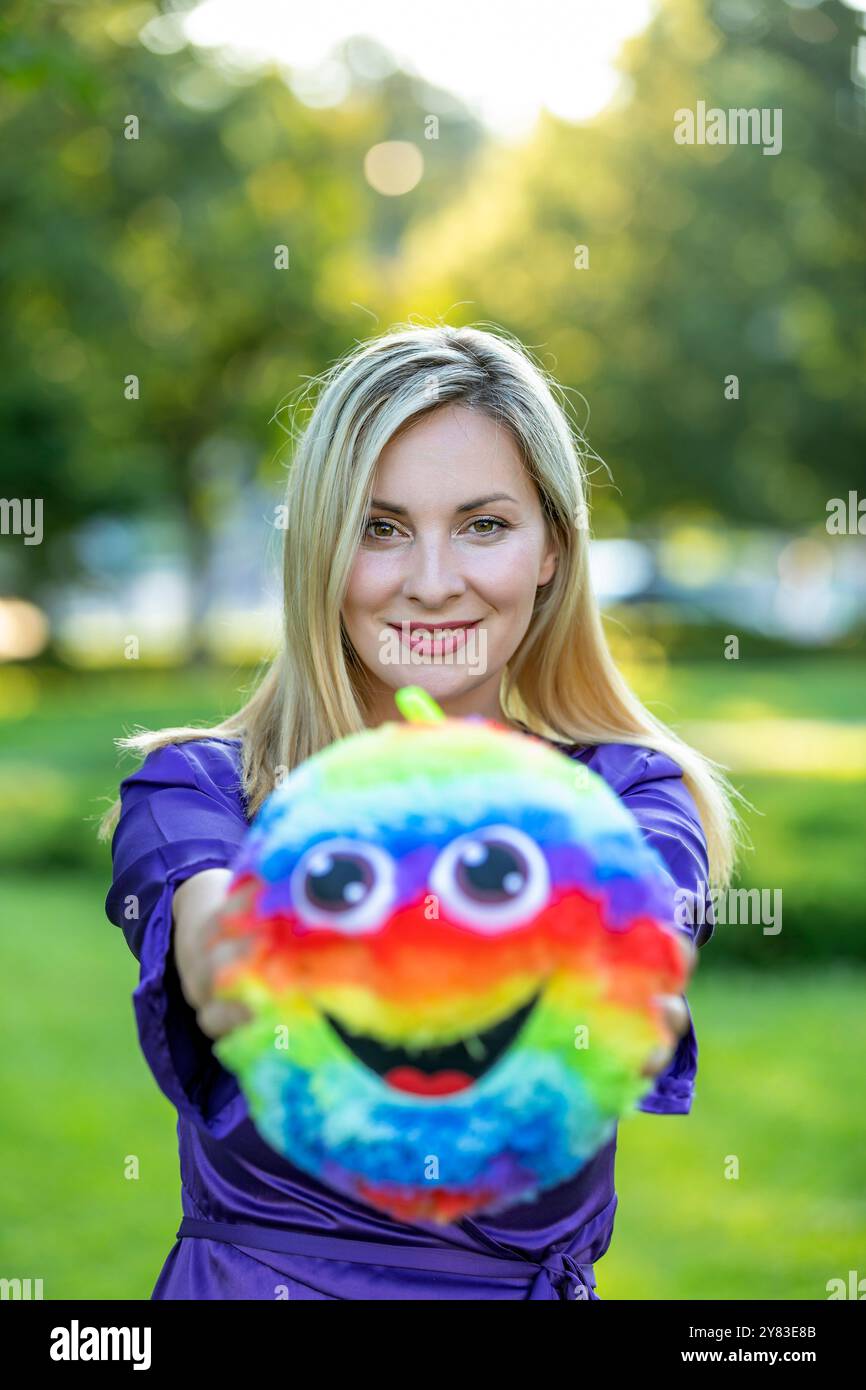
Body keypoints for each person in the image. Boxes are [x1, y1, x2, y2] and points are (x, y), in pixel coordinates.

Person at [102, 322, 738, 1300]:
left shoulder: (624, 790)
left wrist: (619, 962)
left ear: (550, 554)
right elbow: (211, 926)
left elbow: (639, 908)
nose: (431, 582)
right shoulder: (196, 790)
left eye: (482, 525)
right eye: (379, 526)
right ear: (318, 545)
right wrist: (239, 958)